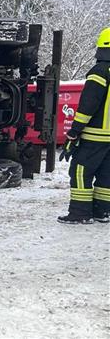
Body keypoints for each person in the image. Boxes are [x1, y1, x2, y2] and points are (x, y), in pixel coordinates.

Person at [58, 27, 110, 224]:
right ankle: (102, 211)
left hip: (94, 135)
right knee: (106, 174)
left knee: (80, 171)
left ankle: (80, 213)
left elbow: (88, 105)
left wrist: (75, 131)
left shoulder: (100, 72)